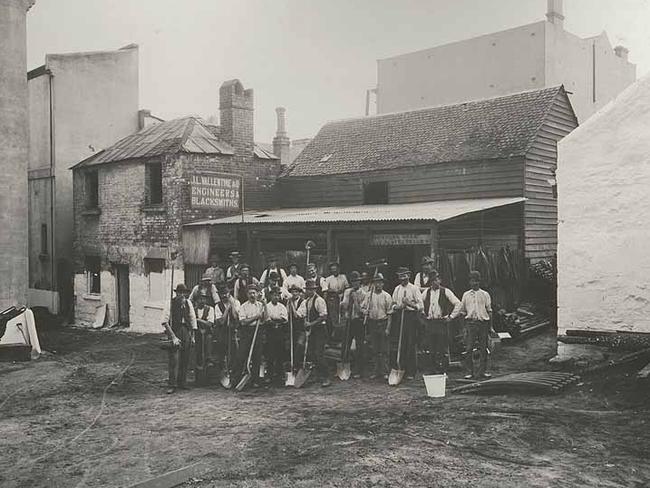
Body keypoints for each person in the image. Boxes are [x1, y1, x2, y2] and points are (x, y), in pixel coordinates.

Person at [420, 270, 461, 375]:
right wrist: (423, 314)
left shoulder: (445, 291)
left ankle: (443, 371)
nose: (435, 282)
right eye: (433, 280)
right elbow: (419, 303)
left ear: (440, 280)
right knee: (431, 348)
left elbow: (458, 304)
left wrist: (451, 317)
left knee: (442, 348)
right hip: (430, 323)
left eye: (437, 279)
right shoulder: (426, 292)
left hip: (441, 322)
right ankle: (433, 370)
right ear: (430, 281)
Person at [162, 284, 197, 394]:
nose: (181, 295)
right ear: (176, 293)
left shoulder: (188, 303)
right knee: (174, 359)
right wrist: (173, 337)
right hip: (174, 331)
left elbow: (192, 320)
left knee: (185, 358)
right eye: (179, 293)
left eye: (183, 293)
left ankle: (182, 382)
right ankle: (172, 384)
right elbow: (165, 322)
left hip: (185, 331)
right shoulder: (170, 303)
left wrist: (192, 336)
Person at [389, 267, 424, 380]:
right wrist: (398, 306)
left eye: (405, 275)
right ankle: (401, 368)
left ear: (409, 276)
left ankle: (411, 371)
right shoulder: (397, 289)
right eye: (400, 276)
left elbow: (421, 306)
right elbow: (392, 305)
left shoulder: (414, 288)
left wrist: (409, 304)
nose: (403, 278)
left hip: (411, 317)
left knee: (411, 343)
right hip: (400, 316)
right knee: (401, 343)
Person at [296, 279, 330, 387]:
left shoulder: (319, 300)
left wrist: (311, 324)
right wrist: (305, 322)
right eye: (307, 289)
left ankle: (326, 377)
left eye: (311, 289)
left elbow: (323, 316)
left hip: (320, 330)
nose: (308, 291)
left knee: (319, 354)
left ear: (314, 290)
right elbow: (300, 314)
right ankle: (317, 375)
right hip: (311, 331)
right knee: (311, 354)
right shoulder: (306, 301)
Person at [460, 270, 493, 380]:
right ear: (469, 282)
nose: (475, 283)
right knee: (469, 348)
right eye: (473, 281)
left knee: (484, 348)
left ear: (480, 282)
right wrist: (464, 328)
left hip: (483, 324)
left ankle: (483, 371)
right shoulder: (466, 295)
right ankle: (469, 372)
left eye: (477, 281)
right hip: (470, 324)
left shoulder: (485, 294)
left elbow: (489, 311)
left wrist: (491, 327)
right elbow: (463, 312)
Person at [362, 273, 393, 379]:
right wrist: (365, 311)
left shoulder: (387, 296)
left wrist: (388, 328)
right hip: (372, 323)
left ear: (383, 284)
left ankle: (385, 372)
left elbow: (389, 314)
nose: (378, 284)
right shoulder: (368, 295)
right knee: (375, 349)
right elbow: (363, 307)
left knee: (384, 349)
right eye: (376, 282)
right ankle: (376, 371)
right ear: (373, 284)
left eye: (380, 282)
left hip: (383, 323)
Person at [236, 284, 266, 387]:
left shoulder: (261, 306)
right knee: (241, 356)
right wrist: (256, 317)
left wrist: (265, 305)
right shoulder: (243, 306)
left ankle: (255, 380)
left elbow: (265, 319)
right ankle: (237, 379)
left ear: (257, 294)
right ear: (247, 295)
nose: (252, 295)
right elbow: (243, 322)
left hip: (258, 331)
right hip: (246, 332)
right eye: (250, 293)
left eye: (254, 293)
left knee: (257, 356)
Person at [340, 271, 367, 379]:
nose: (355, 283)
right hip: (348, 321)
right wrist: (345, 301)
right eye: (353, 282)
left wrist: (355, 299)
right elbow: (344, 306)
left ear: (360, 282)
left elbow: (361, 310)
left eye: (357, 281)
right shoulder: (347, 291)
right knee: (345, 344)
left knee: (359, 346)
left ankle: (359, 369)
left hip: (358, 321)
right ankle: (345, 367)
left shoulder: (364, 294)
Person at [214, 281, 240, 376]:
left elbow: (236, 317)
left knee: (235, 352)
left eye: (226, 293)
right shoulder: (217, 306)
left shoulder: (236, 303)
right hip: (223, 331)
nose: (224, 295)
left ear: (229, 293)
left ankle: (234, 372)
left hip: (234, 330)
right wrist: (227, 309)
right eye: (222, 294)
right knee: (222, 352)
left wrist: (232, 305)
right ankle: (224, 372)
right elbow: (221, 321)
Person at [263, 288, 289, 383]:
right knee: (270, 354)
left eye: (278, 295)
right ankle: (269, 375)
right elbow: (267, 319)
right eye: (274, 295)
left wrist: (275, 320)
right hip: (270, 332)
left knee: (280, 354)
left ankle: (279, 374)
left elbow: (284, 319)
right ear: (270, 296)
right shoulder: (267, 306)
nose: (276, 297)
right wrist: (275, 320)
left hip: (280, 333)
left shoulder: (282, 307)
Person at [193, 289, 216, 384]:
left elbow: (210, 324)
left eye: (204, 299)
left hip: (208, 335)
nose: (202, 301)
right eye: (200, 299)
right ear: (196, 300)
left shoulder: (210, 309)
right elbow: (191, 324)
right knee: (198, 355)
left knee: (208, 356)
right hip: (197, 335)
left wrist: (197, 320)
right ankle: (199, 379)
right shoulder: (193, 310)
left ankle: (208, 378)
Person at [322, 261, 349, 333]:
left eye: (335, 269)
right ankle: (335, 333)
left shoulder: (343, 277)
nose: (334, 271)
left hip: (342, 297)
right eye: (332, 269)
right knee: (333, 316)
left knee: (342, 315)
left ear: (338, 269)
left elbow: (347, 287)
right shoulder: (328, 279)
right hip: (332, 299)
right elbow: (326, 290)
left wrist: (342, 292)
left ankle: (342, 332)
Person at [287, 284, 306, 362]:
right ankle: (292, 364)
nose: (294, 293)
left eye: (296, 292)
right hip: (292, 327)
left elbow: (296, 315)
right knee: (291, 345)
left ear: (299, 293)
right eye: (292, 292)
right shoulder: (289, 302)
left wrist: (291, 304)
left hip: (301, 327)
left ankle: (298, 363)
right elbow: (287, 313)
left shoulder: (303, 302)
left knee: (300, 345)